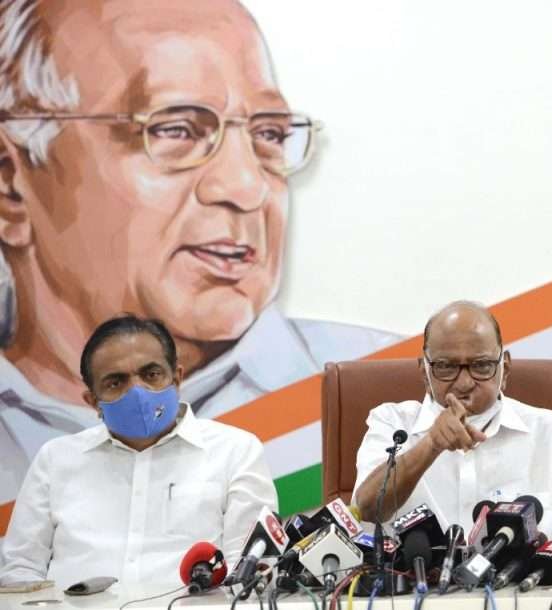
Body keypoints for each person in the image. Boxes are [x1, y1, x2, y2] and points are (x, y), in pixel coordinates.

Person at [0, 0, 398, 513]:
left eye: (269, 134)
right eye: (175, 129)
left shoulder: (387, 397)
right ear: (10, 183)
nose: (248, 186)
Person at [0, 315, 277, 587]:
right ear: (93, 401)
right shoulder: (56, 460)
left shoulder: (235, 451)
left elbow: (248, 568)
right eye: (115, 382)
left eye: (151, 374)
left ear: (177, 379)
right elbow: (21, 568)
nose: (137, 391)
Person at [353, 301, 552, 542]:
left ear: (505, 369)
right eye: (446, 366)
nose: (464, 383)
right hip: (416, 580)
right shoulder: (392, 423)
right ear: (424, 372)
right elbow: (366, 510)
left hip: (525, 580)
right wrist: (431, 444)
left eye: (481, 366)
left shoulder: (551, 432)